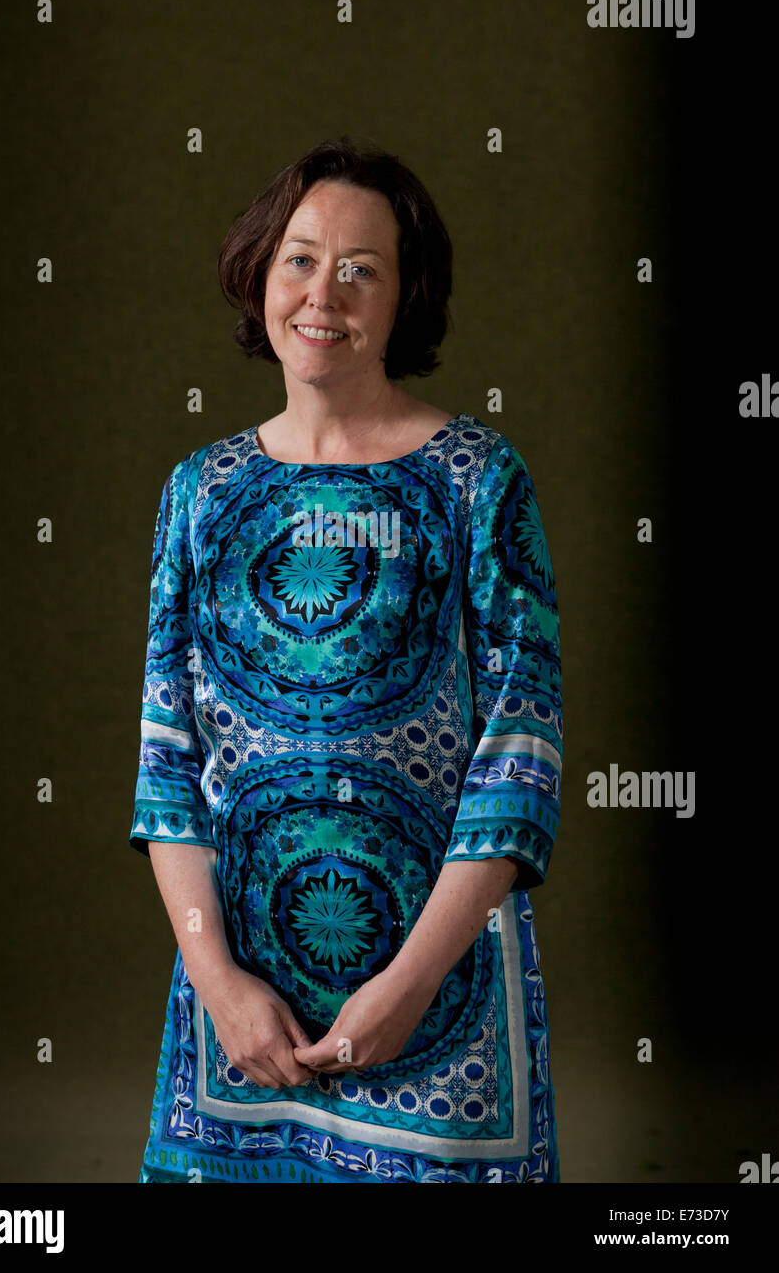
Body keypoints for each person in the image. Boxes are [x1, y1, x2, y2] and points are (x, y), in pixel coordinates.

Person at [129, 136, 563, 1183]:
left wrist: (410, 981)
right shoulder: (203, 490)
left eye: (362, 269)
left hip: (438, 1012)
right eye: (301, 258)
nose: (324, 292)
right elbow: (167, 760)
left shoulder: (475, 480)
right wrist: (218, 978)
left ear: (405, 299)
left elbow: (519, 757)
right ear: (258, 272)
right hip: (243, 1023)